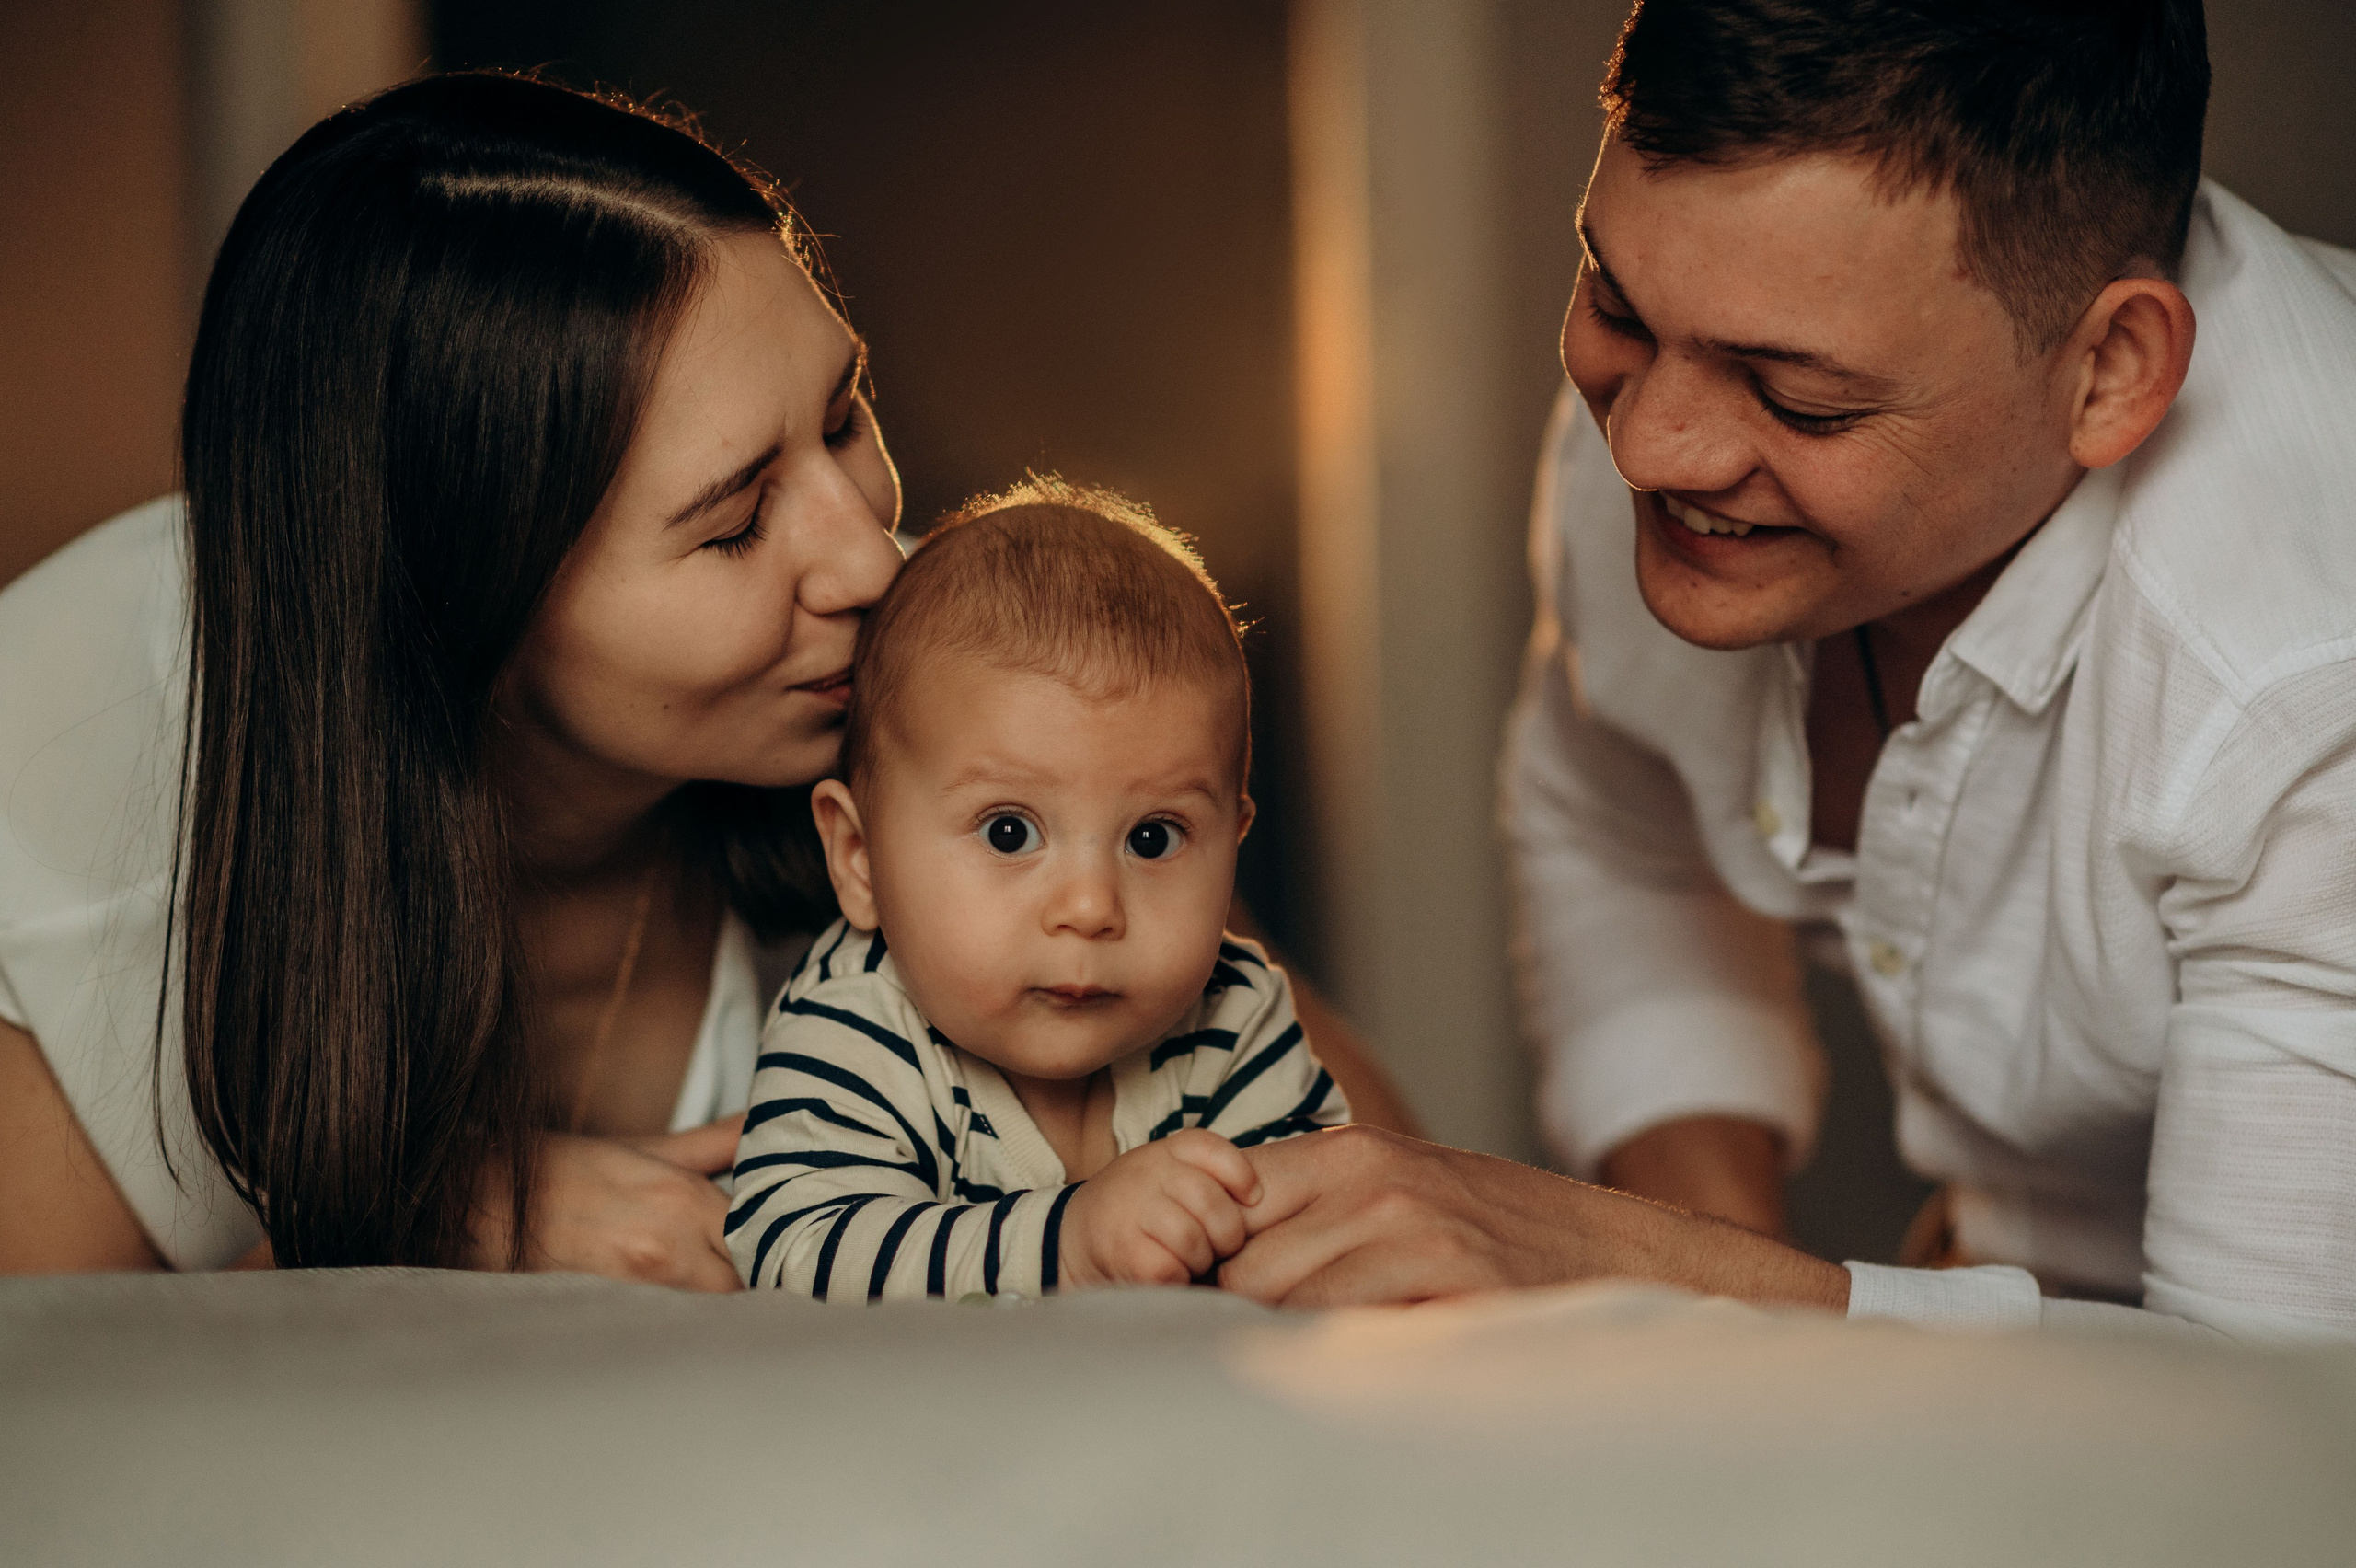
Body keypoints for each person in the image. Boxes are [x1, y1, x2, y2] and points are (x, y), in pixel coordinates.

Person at [0, 74, 1404, 1286]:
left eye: (846, 416)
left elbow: (1384, 1172)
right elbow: (59, 1370)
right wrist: (446, 1212)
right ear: (462, 606)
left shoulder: (931, 663)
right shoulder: (97, 767)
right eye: (735, 523)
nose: (868, 559)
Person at [1219, 0, 2356, 1341]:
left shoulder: (2301, 677)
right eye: (1615, 304)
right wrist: (1729, 1294)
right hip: (2032, 1319)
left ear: (2109, 371)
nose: (1648, 449)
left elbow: (2274, 1431)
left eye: (1801, 401)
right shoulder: (1694, 389)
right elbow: (1622, 818)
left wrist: (1616, 1253)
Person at [729, 482, 1347, 1299]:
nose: (1091, 907)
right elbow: (794, 1250)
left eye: (1152, 838)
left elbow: (1325, 1231)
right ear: (858, 858)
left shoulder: (1235, 1017)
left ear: (1234, 841)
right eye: (1009, 833)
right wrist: (1069, 1239)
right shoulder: (858, 1024)